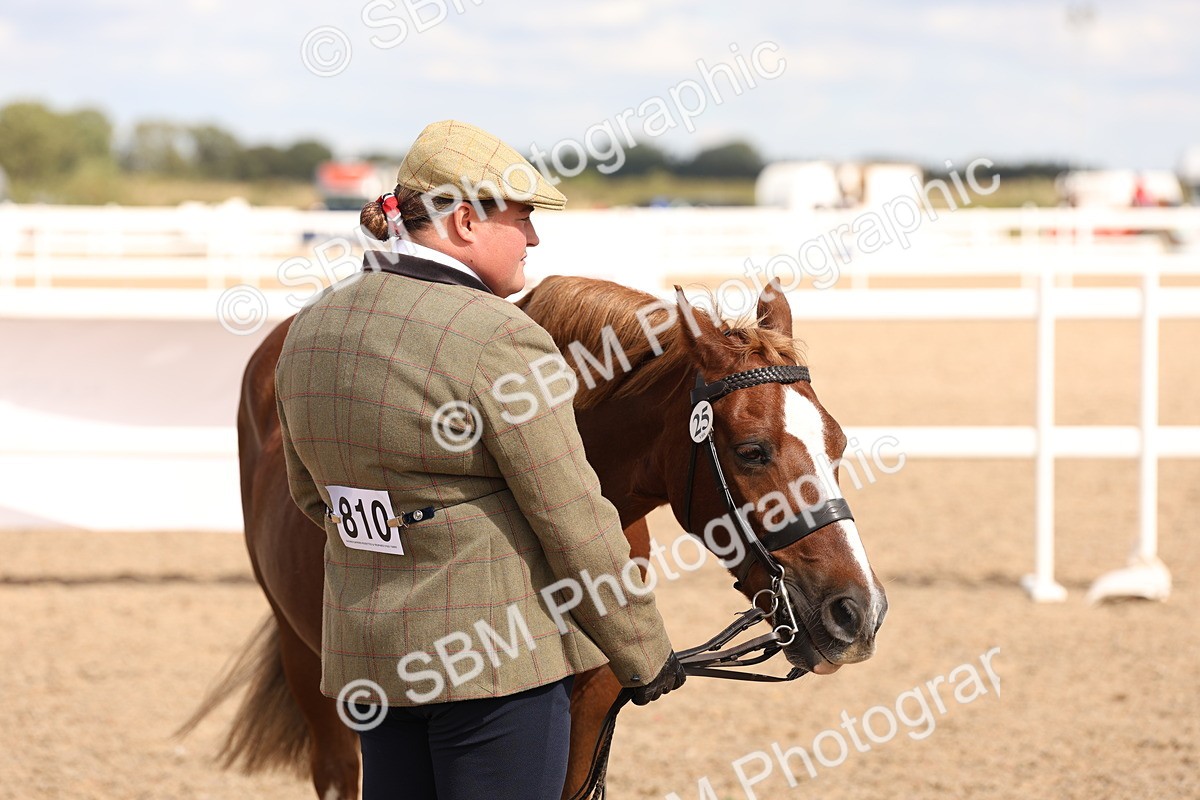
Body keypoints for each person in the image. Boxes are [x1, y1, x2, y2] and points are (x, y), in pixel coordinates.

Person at [274, 120, 684, 800]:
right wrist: (643, 652)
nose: (534, 238)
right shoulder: (499, 336)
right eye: (522, 217)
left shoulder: (311, 325)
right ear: (464, 220)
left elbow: (314, 496)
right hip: (497, 665)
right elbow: (571, 517)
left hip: (375, 661)